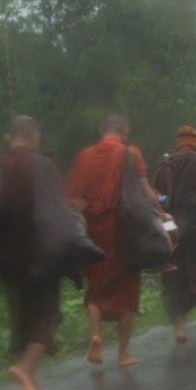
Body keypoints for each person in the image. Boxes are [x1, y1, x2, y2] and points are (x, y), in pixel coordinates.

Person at [0, 116, 64, 390]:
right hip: (40, 255)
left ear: (11, 138)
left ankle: (29, 383)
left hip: (7, 259)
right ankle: (23, 368)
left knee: (22, 319)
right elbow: (55, 210)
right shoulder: (42, 165)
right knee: (47, 318)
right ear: (34, 137)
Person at [67, 114, 161, 368]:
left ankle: (96, 334)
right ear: (125, 132)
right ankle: (122, 354)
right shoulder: (131, 154)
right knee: (128, 294)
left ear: (102, 130)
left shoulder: (84, 157)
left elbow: (73, 200)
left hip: (95, 235)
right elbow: (146, 192)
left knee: (95, 289)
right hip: (125, 234)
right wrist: (162, 212)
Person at [151, 125, 196, 341]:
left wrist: (166, 212)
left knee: (173, 278)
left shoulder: (164, 164)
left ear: (178, 142)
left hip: (173, 230)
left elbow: (159, 197)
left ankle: (180, 327)